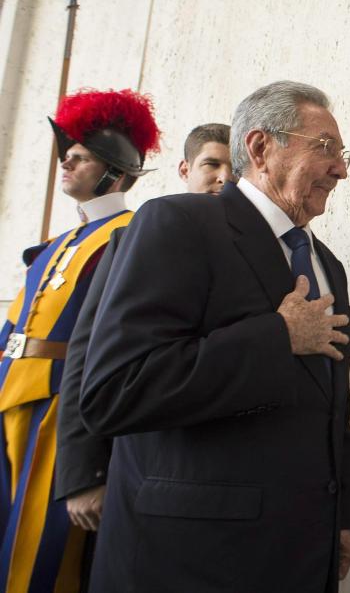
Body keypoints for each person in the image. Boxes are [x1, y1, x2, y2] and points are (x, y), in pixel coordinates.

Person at [79, 81, 350, 593]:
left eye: (342, 155)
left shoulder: (329, 267)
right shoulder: (177, 223)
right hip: (194, 559)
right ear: (259, 147)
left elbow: (334, 406)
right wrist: (278, 337)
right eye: (324, 148)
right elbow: (114, 390)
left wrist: (338, 515)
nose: (340, 168)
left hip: (301, 550)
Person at [0, 89, 160, 593]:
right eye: (66, 153)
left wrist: (92, 460)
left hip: (61, 407)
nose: (65, 160)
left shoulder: (133, 233)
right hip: (9, 394)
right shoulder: (57, 242)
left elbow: (122, 343)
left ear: (114, 171)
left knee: (38, 558)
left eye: (81, 155)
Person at [54, 125, 234, 541]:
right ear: (185, 168)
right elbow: (85, 358)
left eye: (233, 167)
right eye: (211, 164)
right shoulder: (130, 238)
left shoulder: (255, 250)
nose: (224, 177)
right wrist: (84, 474)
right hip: (128, 466)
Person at [177, 123, 233, 193]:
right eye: (212, 165)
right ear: (185, 171)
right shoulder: (162, 203)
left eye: (236, 170)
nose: (225, 179)